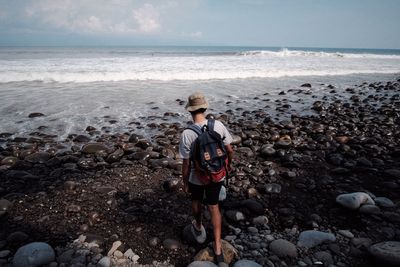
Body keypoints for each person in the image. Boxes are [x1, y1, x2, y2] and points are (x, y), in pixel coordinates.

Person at [179, 92, 234, 264]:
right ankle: (218, 246)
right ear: (204, 107)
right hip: (217, 174)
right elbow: (230, 150)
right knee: (214, 206)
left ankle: (198, 225)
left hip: (198, 176)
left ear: (190, 111)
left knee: (196, 201)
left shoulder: (187, 134)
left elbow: (186, 164)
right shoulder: (217, 125)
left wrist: (185, 182)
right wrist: (227, 166)